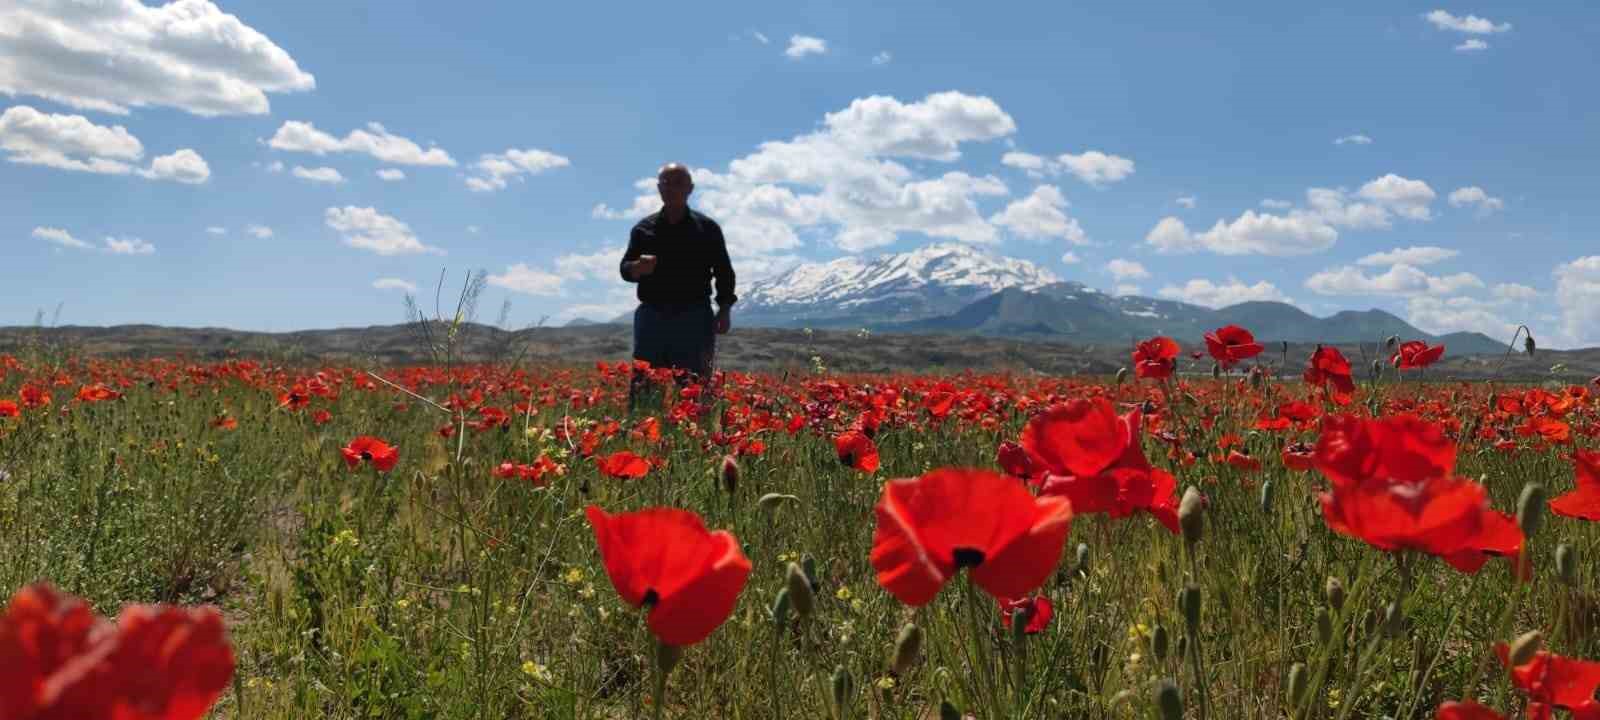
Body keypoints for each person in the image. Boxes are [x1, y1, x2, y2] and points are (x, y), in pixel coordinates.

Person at [619, 163, 736, 408]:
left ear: (690, 189)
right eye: (665, 183)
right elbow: (625, 269)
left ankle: (697, 439)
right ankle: (641, 437)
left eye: (678, 183)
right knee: (645, 385)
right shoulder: (643, 229)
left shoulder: (707, 229)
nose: (670, 188)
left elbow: (723, 272)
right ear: (658, 188)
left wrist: (724, 309)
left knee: (695, 385)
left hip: (694, 315)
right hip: (653, 314)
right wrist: (636, 268)